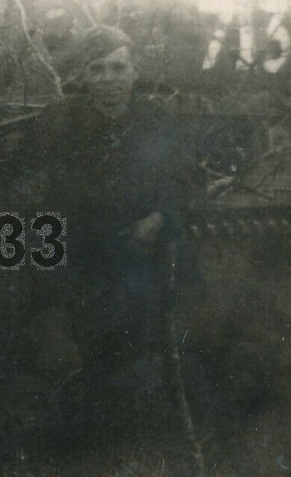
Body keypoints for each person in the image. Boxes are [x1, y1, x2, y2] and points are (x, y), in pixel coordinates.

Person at [15, 25, 197, 443]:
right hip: (76, 252)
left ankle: (131, 426)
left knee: (137, 335)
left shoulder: (156, 120)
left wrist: (158, 218)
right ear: (84, 76)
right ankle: (87, 429)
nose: (109, 79)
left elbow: (182, 178)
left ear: (134, 72)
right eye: (98, 69)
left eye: (118, 68)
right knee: (74, 340)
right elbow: (26, 179)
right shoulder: (58, 120)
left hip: (139, 247)